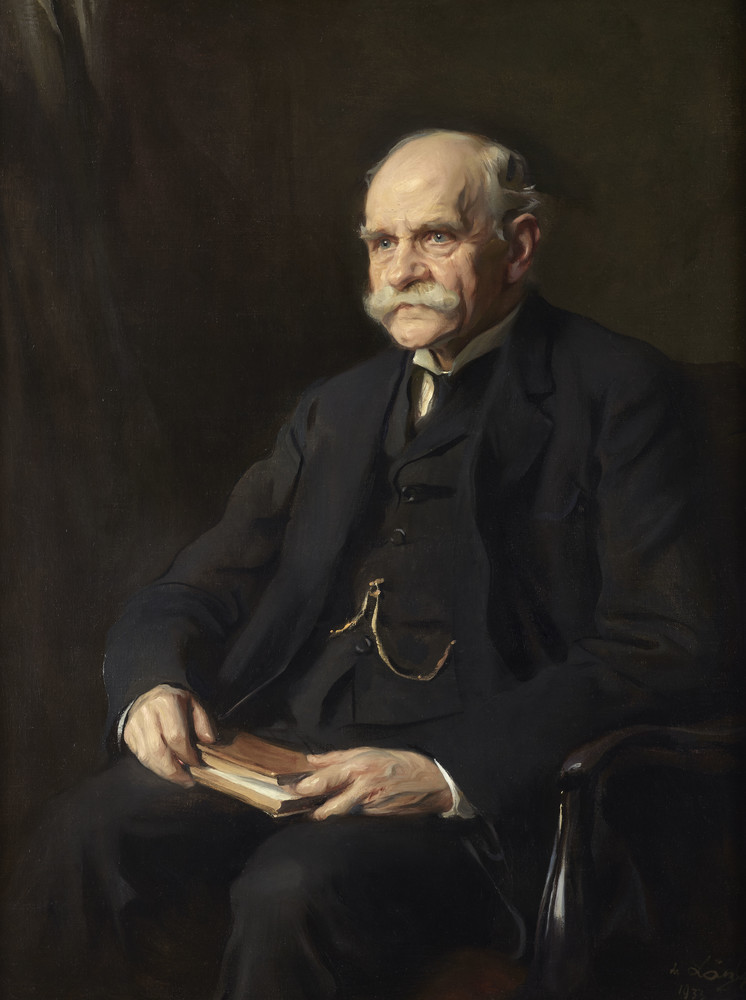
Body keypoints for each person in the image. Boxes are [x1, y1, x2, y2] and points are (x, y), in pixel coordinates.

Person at [11, 130, 729, 1000]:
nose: (400, 271)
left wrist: (448, 771)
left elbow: (666, 640)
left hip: (482, 800)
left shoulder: (621, 391)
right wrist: (148, 684)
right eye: (382, 242)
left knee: (291, 893)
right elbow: (193, 585)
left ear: (519, 247)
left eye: (436, 237)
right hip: (287, 756)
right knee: (84, 835)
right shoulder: (336, 409)